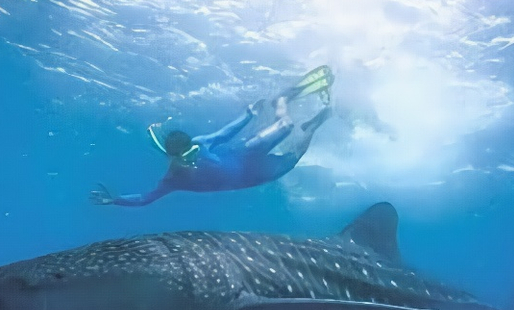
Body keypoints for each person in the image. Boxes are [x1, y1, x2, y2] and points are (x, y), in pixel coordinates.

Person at [91, 65, 334, 207]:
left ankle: (282, 99)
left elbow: (225, 133)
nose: (192, 157)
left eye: (193, 151)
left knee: (286, 125)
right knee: (293, 158)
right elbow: (146, 198)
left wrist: (248, 115)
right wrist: (115, 200)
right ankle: (313, 126)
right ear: (173, 157)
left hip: (246, 152)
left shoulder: (200, 142)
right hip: (252, 177)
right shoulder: (173, 180)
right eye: (187, 156)